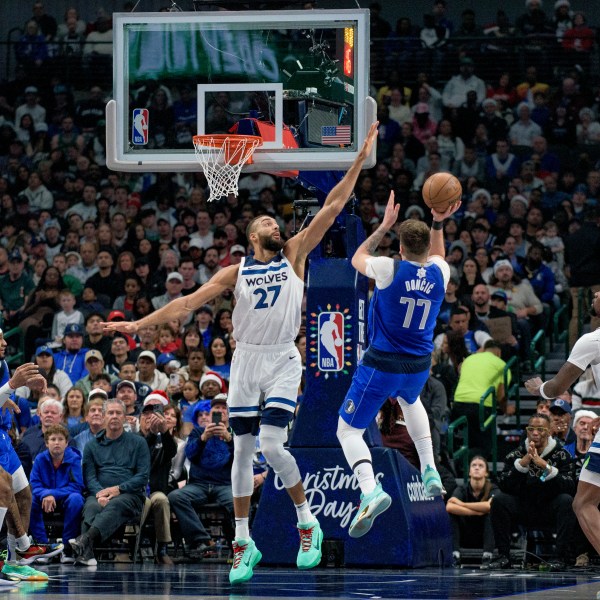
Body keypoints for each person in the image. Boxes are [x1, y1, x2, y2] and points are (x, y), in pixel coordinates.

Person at [103, 122, 381, 583]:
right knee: (243, 452)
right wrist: (138, 324)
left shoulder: (294, 252)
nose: (276, 224)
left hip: (282, 360)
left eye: (276, 222)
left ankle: (305, 521)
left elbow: (332, 208)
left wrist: (358, 159)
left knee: (272, 444)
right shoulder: (237, 272)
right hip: (246, 360)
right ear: (254, 237)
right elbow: (187, 303)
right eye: (267, 223)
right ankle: (242, 540)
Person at [335, 189, 461, 539]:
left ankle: (370, 491)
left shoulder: (388, 268)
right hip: (418, 363)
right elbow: (436, 255)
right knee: (411, 401)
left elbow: (357, 257)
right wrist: (438, 221)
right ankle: (430, 469)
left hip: (382, 363)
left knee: (348, 431)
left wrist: (384, 226)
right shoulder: (441, 273)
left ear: (401, 247)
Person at [525, 291, 600, 560]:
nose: (595, 293)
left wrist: (540, 389)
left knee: (583, 503)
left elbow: (558, 386)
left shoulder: (592, 340)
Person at [0, 329, 63, 581]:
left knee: (23, 495)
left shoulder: (2, 363)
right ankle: (21, 549)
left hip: (3, 435)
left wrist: (9, 394)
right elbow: (6, 387)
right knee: (4, 489)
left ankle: (17, 560)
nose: (5, 343)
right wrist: (12, 385)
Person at [485, 413, 577, 571]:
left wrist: (546, 467)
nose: (535, 433)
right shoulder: (516, 454)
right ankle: (503, 556)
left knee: (567, 501)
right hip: (524, 507)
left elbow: (570, 486)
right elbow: (503, 484)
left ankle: (560, 557)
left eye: (540, 429)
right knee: (499, 500)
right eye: (531, 429)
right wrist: (521, 465)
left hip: (550, 509)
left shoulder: (562, 455)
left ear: (549, 432)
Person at [70, 398, 150, 567]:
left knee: (116, 504)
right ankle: (87, 554)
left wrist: (118, 489)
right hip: (99, 493)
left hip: (130, 495)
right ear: (105, 417)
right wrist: (102, 493)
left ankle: (85, 540)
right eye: (110, 413)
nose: (114, 416)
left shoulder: (139, 443)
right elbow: (89, 477)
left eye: (118, 413)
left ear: (125, 417)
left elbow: (143, 476)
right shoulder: (92, 446)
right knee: (91, 507)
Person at [168, 394, 234, 558]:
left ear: (229, 412)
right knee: (176, 496)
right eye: (216, 408)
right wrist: (203, 438)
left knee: (239, 503)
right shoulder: (198, 431)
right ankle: (202, 540)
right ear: (210, 412)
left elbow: (243, 460)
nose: (219, 410)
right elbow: (189, 454)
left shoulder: (235, 433)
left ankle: (240, 543)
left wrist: (229, 439)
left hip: (225, 484)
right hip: (199, 485)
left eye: (223, 408)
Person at [28, 424, 85, 564]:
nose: (57, 442)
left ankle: (66, 548)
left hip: (66, 499)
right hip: (44, 500)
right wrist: (46, 495)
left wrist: (51, 494)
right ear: (47, 443)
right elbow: (34, 483)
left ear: (66, 443)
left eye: (60, 439)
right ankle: (43, 547)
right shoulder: (40, 459)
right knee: (30, 500)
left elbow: (77, 486)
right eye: (53, 439)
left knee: (77, 499)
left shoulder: (74, 459)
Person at [446, 456, 498, 568]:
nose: (477, 468)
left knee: (491, 514)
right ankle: (455, 555)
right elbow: (449, 507)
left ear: (486, 473)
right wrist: (478, 512)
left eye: (481, 466)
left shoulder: (493, 488)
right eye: (474, 465)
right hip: (466, 535)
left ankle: (487, 555)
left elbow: (488, 506)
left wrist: (462, 504)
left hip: (486, 537)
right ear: (469, 472)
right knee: (452, 515)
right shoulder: (462, 489)